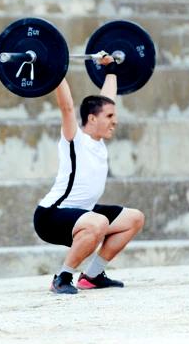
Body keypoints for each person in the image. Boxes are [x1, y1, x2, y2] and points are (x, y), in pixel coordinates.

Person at [34, 56, 145, 294]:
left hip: (84, 213)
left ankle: (92, 275)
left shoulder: (98, 140)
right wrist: (56, 70)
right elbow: (66, 107)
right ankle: (62, 278)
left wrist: (112, 69)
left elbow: (107, 100)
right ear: (92, 119)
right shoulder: (75, 139)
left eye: (114, 116)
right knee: (99, 221)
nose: (115, 121)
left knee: (134, 218)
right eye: (109, 117)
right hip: (51, 216)